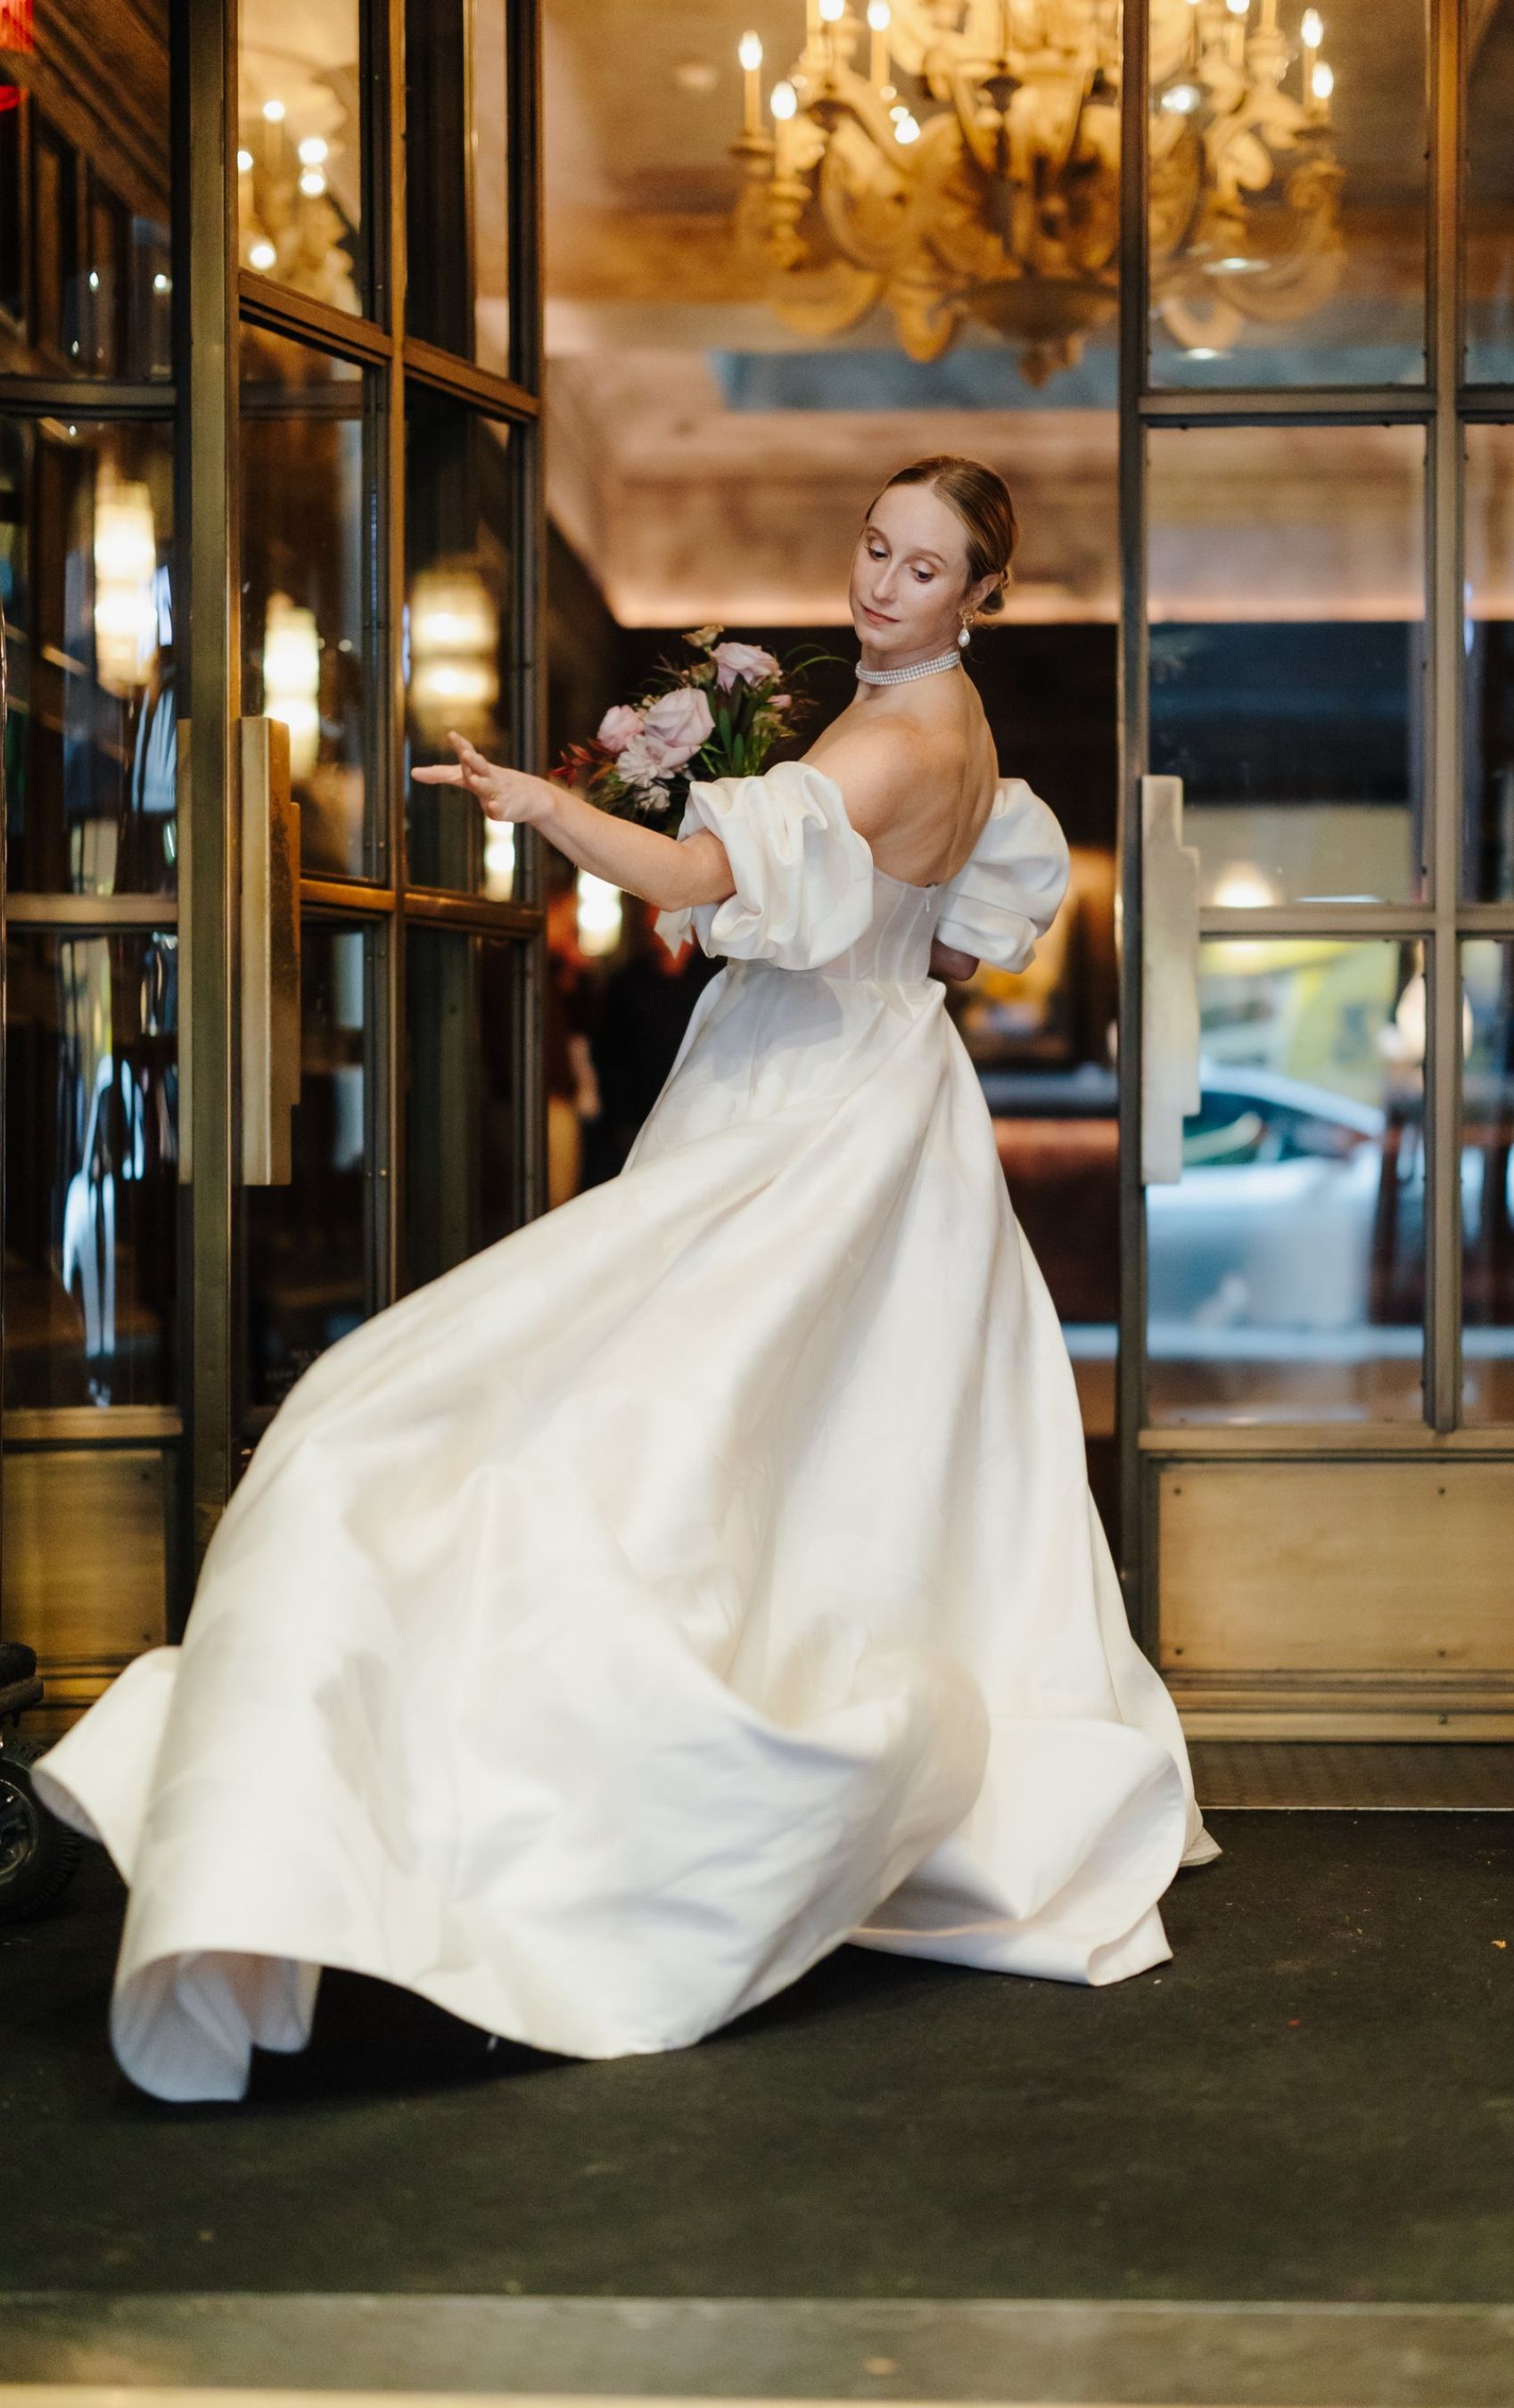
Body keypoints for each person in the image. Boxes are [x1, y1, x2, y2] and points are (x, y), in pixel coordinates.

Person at [34, 456, 1220, 2104]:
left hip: (801, 1121)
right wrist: (830, 931)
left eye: (925, 568)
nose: (882, 583)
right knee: (846, 1449)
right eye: (874, 545)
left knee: (565, 1411)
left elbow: (696, 881)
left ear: (981, 596)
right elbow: (947, 944)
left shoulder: (888, 735)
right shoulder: (965, 738)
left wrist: (545, 807)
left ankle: (575, 1790)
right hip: (893, 1100)